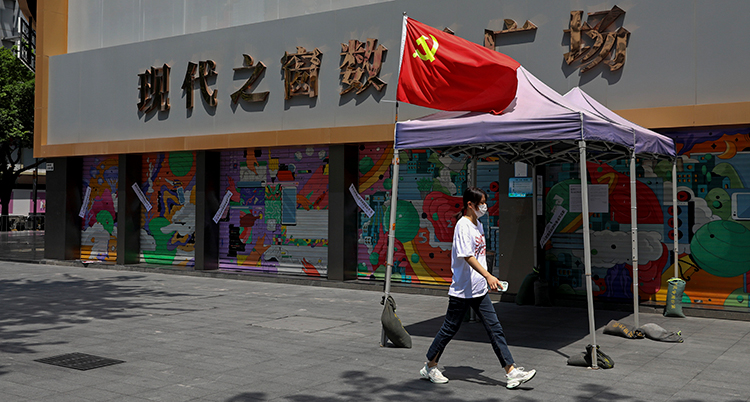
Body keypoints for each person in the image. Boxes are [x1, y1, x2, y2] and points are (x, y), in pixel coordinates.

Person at [419, 186, 536, 389]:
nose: (485, 206)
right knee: (449, 329)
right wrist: (488, 275)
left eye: (485, 202)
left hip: (478, 289)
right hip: (463, 289)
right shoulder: (463, 226)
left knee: (495, 328)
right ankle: (430, 366)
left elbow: (479, 254)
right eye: (482, 203)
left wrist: (487, 278)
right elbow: (467, 256)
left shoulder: (479, 225)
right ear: (470, 205)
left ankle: (511, 372)